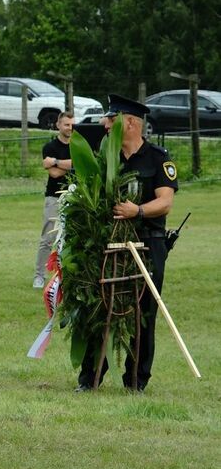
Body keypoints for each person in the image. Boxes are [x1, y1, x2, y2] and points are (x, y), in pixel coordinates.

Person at [76, 94, 176, 393]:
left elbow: (166, 201)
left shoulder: (158, 158)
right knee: (99, 307)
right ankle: (90, 378)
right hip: (108, 244)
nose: (106, 123)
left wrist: (139, 211)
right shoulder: (105, 157)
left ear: (130, 123)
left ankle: (136, 381)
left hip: (148, 243)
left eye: (113, 118)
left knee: (144, 312)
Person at [35, 111, 74, 288]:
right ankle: (39, 275)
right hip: (54, 197)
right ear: (58, 125)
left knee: (71, 237)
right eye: (66, 124)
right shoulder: (49, 147)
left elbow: (78, 163)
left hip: (74, 197)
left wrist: (56, 161)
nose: (70, 127)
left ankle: (68, 275)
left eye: (72, 124)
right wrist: (72, 165)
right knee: (47, 238)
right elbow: (54, 173)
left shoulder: (78, 145)